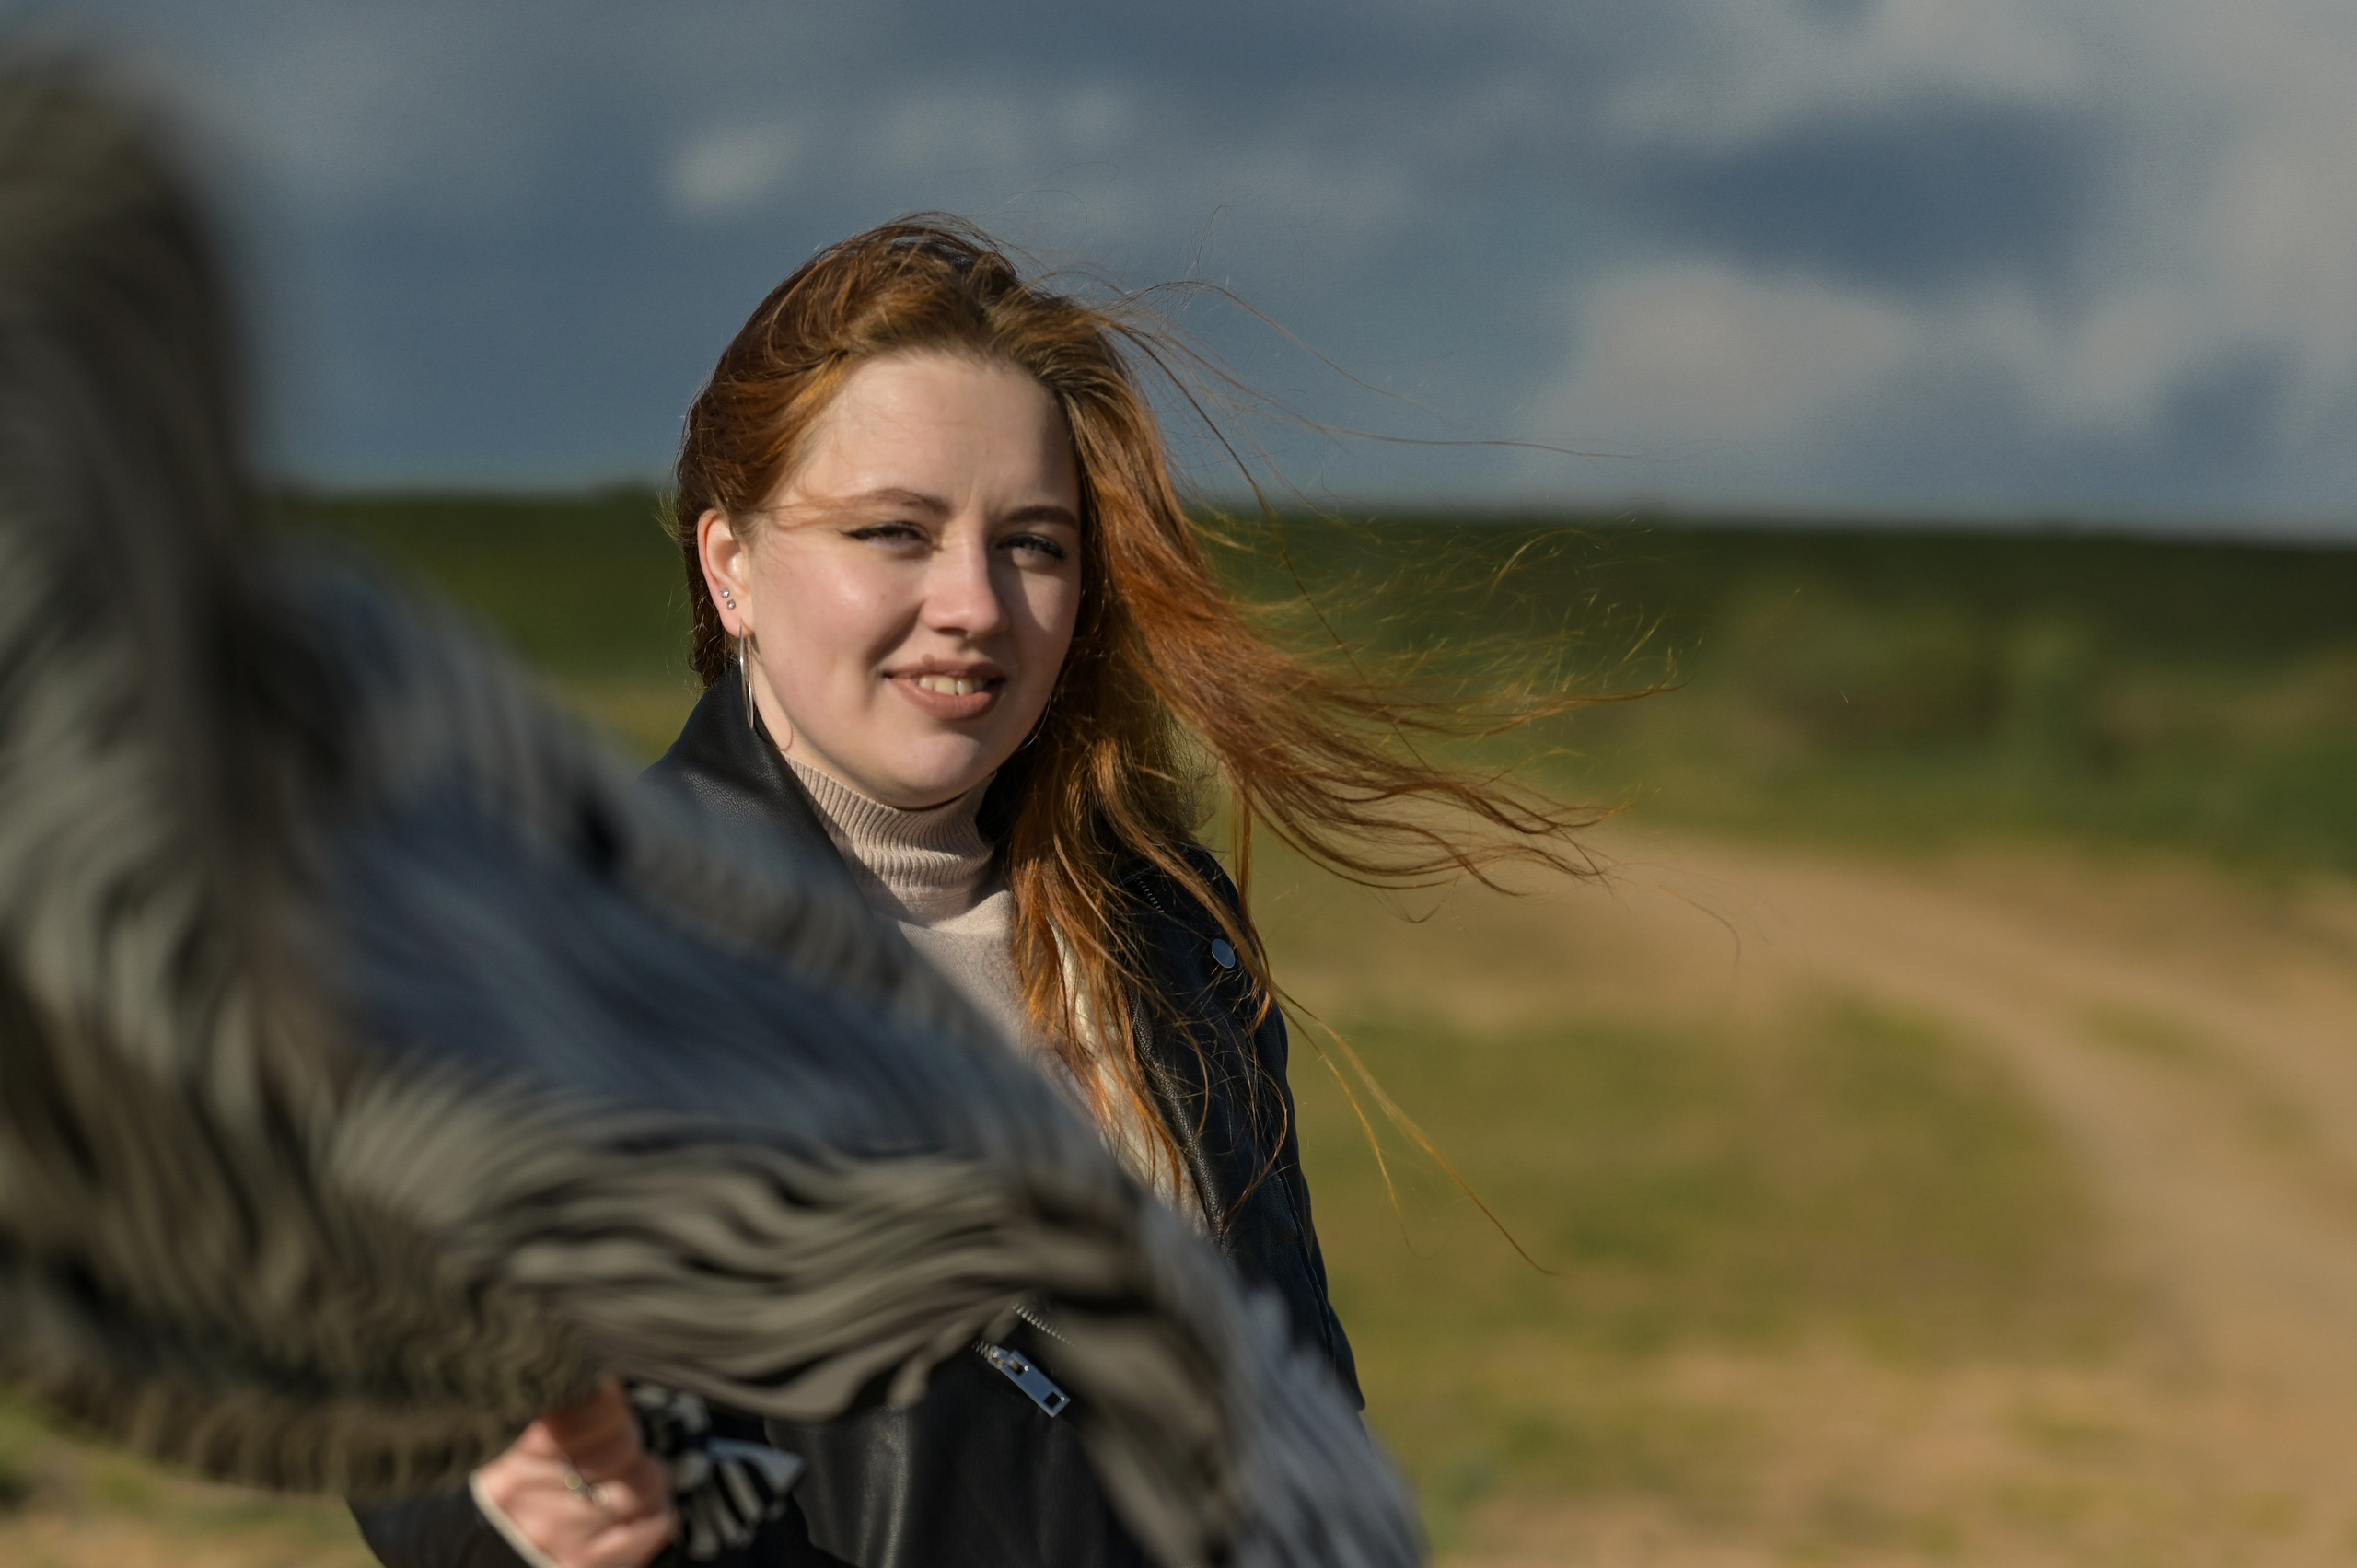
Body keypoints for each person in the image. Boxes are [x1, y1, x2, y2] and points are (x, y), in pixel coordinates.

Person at [356, 218, 1594, 1568]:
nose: (974, 605)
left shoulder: (1170, 942)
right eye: (895, 531)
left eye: (1034, 544)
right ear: (732, 564)